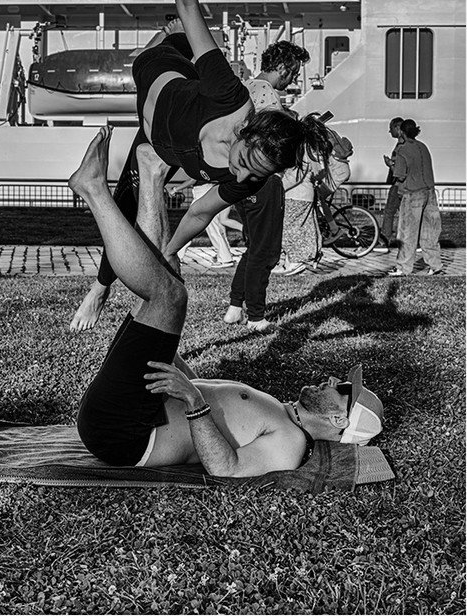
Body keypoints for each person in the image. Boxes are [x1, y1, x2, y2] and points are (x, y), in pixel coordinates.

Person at [70, 0, 332, 332]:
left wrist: (169, 255)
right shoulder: (229, 96)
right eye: (244, 162)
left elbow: (200, 211)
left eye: (253, 175)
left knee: (153, 245)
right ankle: (100, 286)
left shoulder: (250, 176)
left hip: (161, 143)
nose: (240, 176)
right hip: (164, 66)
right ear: (247, 131)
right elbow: (189, 3)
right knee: (177, 40)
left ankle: (123, 269)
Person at [71, 128, 384, 476]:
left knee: (170, 296)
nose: (332, 379)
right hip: (135, 410)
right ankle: (152, 176)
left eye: (342, 389)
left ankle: (94, 190)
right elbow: (209, 397)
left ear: (339, 419)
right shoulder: (281, 412)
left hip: (125, 432)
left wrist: (193, 400)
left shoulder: (291, 442)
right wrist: (167, 351)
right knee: (167, 275)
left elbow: (226, 468)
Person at [224, 40, 328, 331]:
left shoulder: (245, 87)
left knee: (253, 247)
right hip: (264, 180)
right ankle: (256, 317)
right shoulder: (267, 92)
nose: (293, 79)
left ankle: (235, 307)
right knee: (266, 251)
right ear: (282, 66)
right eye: (293, 72)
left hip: (242, 176)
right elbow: (275, 134)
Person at [388, 119, 443, 277]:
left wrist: (391, 165)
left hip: (412, 193)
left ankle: (403, 267)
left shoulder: (402, 149)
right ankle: (435, 265)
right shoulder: (423, 146)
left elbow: (400, 175)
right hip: (430, 192)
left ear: (402, 132)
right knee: (430, 232)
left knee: (407, 233)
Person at [173, 178, 241, 269]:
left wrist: (176, 189)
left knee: (210, 228)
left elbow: (193, 180)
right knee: (193, 226)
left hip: (203, 191)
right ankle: (177, 255)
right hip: (205, 190)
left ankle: (225, 259)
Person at [373, 117, 404, 253]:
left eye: (391, 128)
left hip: (398, 184)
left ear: (398, 128)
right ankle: (414, 242)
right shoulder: (409, 145)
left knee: (389, 212)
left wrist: (390, 164)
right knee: (407, 214)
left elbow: (399, 168)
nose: (389, 131)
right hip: (407, 185)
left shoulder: (401, 146)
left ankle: (384, 241)